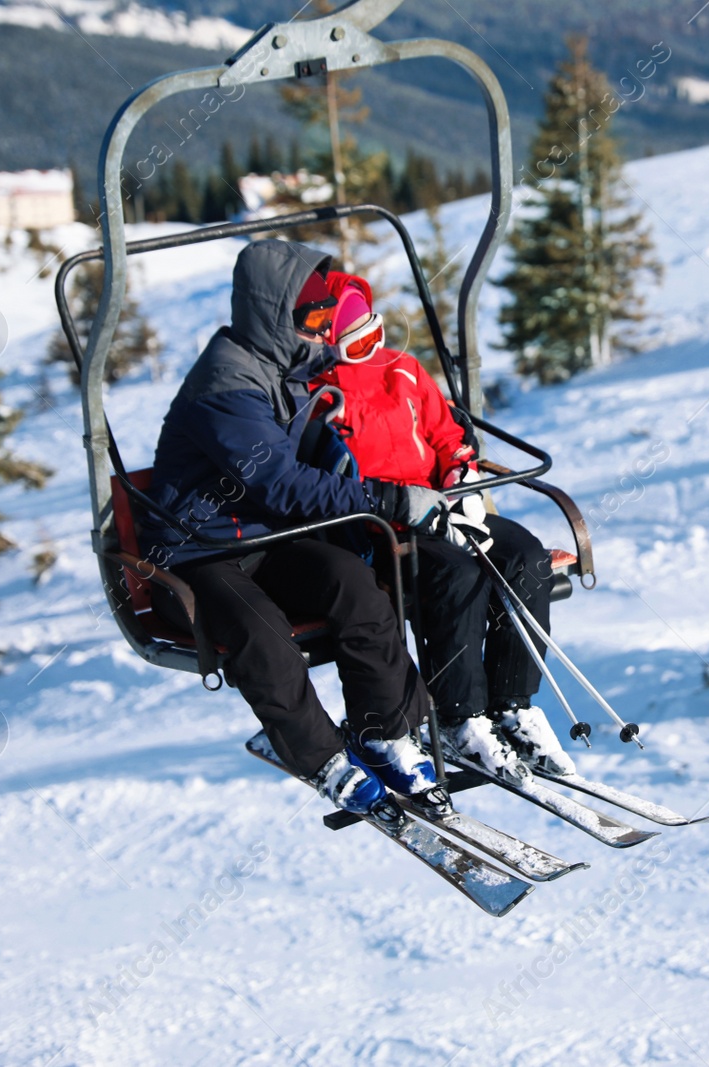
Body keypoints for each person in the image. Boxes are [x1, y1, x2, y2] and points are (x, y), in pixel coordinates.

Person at [139, 240, 456, 816]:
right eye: (312, 319)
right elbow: (281, 483)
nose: (322, 331)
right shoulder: (225, 384)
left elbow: (294, 455)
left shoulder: (281, 369)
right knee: (266, 641)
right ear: (273, 314)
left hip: (265, 539)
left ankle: (382, 731)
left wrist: (325, 421)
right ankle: (318, 756)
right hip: (202, 551)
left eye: (324, 319)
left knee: (356, 589)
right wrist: (386, 498)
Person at [303, 269, 576, 780]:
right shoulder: (322, 396)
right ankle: (459, 717)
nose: (369, 340)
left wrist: (460, 474)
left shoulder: (403, 371)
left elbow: (446, 432)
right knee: (458, 573)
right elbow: (332, 474)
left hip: (449, 501)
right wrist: (408, 503)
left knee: (525, 556)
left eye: (369, 328)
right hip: (387, 522)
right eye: (354, 333)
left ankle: (511, 704)